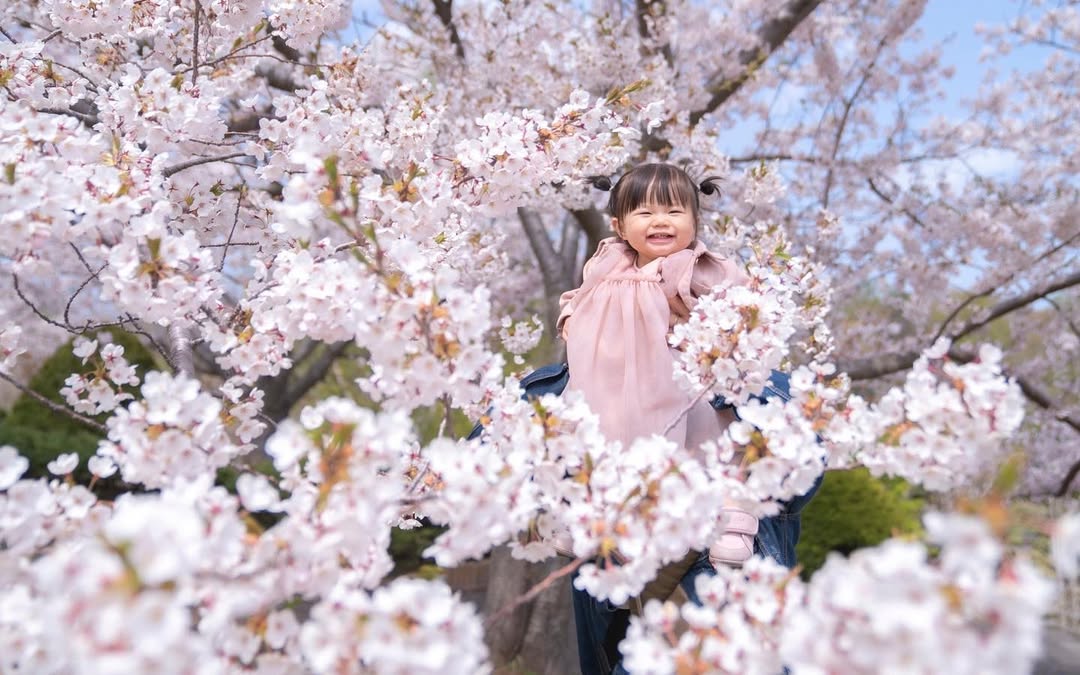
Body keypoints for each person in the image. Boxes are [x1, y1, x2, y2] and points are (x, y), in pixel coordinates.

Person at [551, 163, 818, 674]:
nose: (661, 220)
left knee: (715, 452)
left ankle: (728, 517)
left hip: (686, 406)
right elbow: (576, 309)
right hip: (616, 411)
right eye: (645, 210)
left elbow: (743, 321)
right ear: (617, 223)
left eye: (676, 209)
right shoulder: (603, 270)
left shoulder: (699, 272)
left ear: (695, 220)